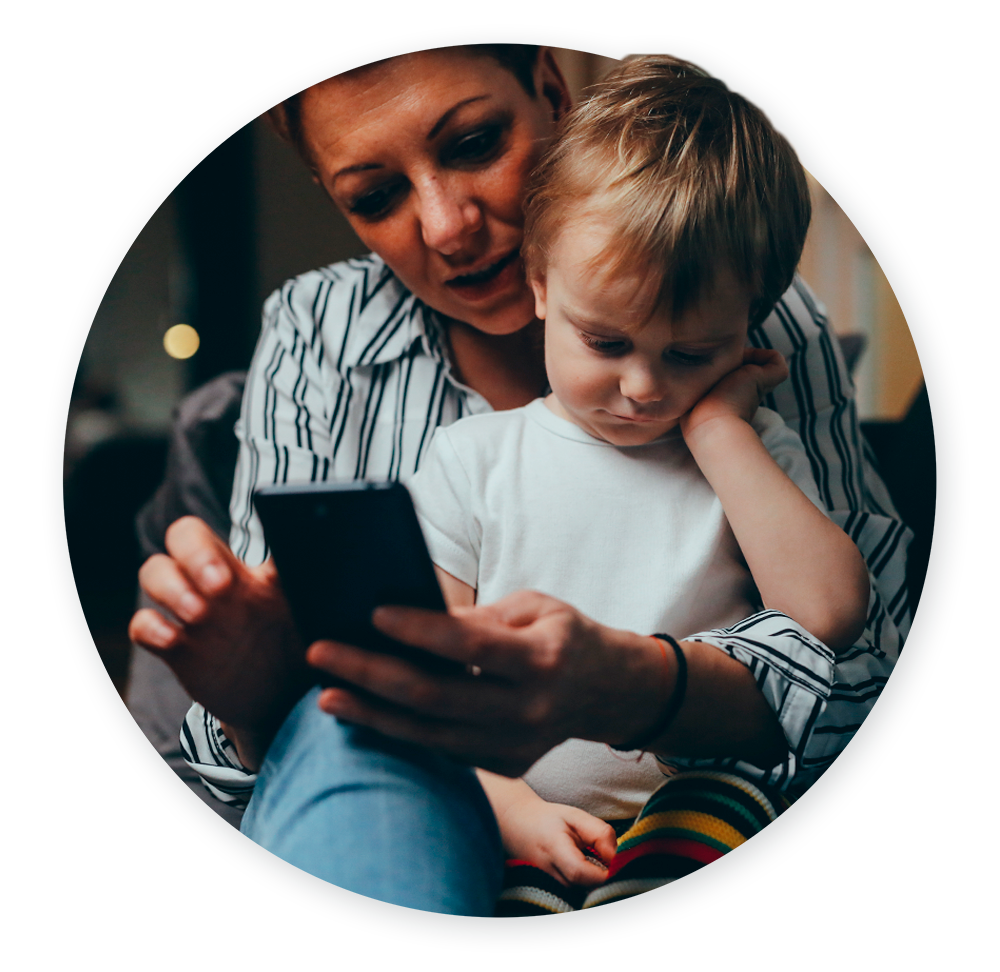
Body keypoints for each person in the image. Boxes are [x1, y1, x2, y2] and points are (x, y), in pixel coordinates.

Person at [113, 44, 906, 919]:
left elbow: (860, 661)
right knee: (357, 739)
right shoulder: (355, 360)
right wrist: (260, 696)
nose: (448, 226)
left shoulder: (741, 298)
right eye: (375, 197)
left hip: (709, 818)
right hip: (464, 808)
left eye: (475, 143)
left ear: (552, 90)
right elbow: (358, 691)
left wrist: (647, 681)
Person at [403, 53, 871, 910]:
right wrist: (505, 805)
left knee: (704, 826)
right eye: (607, 344)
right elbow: (430, 676)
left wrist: (719, 424)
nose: (647, 387)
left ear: (748, 327)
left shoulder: (748, 450)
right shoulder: (468, 461)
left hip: (720, 807)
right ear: (542, 285)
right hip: (523, 813)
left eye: (691, 354)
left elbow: (832, 614)